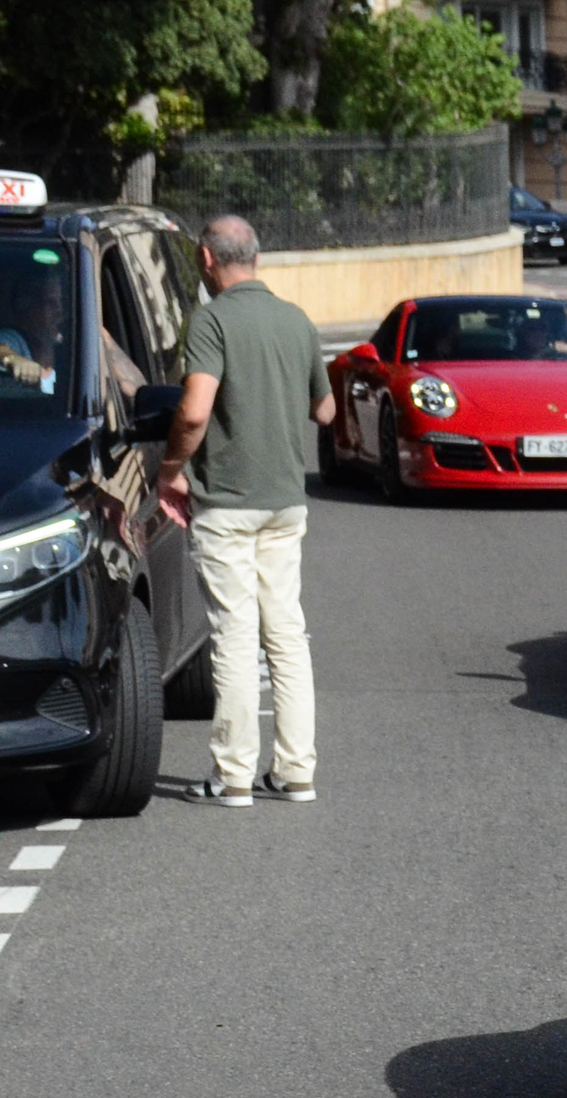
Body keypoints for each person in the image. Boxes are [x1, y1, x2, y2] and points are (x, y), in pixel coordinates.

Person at [155, 214, 332, 808]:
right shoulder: (296, 319)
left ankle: (232, 776)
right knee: (286, 634)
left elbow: (194, 411)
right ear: (256, 256)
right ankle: (296, 772)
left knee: (233, 636)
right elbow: (326, 411)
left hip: (226, 503)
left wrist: (170, 470)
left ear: (206, 259)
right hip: (284, 501)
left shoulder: (210, 320)